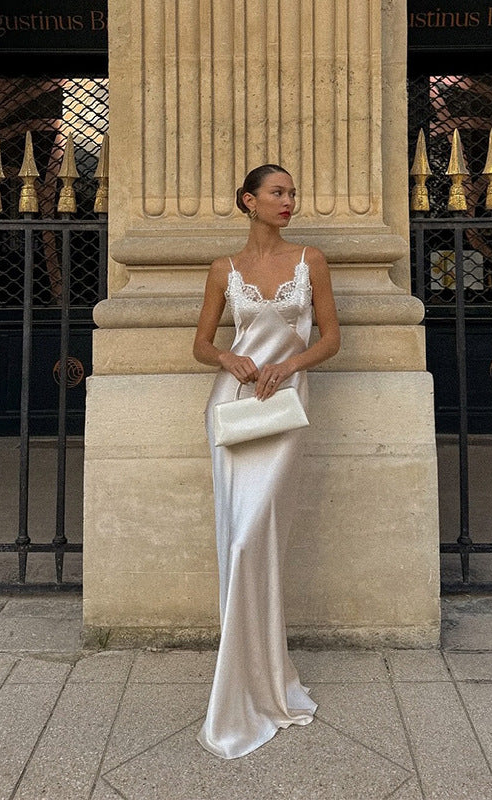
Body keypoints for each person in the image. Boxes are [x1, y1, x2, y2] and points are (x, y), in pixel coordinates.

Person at [192, 164, 341, 759]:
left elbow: (331, 338)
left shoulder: (313, 260)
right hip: (232, 409)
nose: (288, 201)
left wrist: (292, 365)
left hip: (284, 410)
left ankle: (264, 679)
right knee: (238, 540)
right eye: (277, 193)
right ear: (248, 201)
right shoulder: (222, 270)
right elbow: (201, 343)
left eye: (292, 193)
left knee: (255, 537)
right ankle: (241, 682)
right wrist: (227, 359)